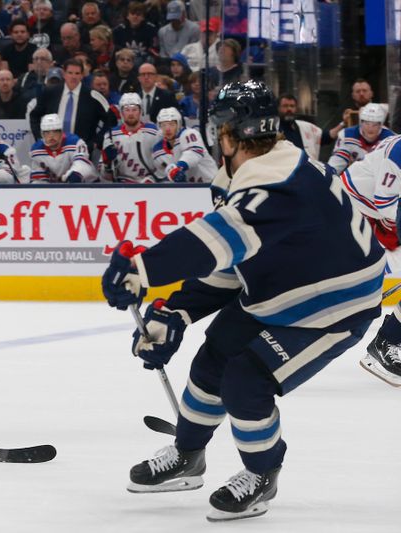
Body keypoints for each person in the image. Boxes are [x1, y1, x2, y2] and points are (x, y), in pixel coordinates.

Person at [101, 80, 385, 522]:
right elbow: (232, 260)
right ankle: (188, 456)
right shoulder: (258, 171)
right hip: (281, 286)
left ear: (228, 133)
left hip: (334, 307)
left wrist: (143, 270)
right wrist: (179, 309)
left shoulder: (278, 186)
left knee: (246, 383)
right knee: (212, 361)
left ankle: (262, 473)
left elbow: (216, 239)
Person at [339, 134, 401, 385]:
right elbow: (386, 204)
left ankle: (391, 339)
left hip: (375, 211)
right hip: (353, 208)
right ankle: (388, 342)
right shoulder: (399, 151)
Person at [30, 58, 115, 153]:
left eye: (77, 73)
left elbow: (111, 120)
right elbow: (34, 115)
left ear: (82, 75)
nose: (73, 77)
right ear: (64, 74)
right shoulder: (50, 92)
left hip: (82, 151)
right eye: (70, 73)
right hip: (52, 150)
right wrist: (40, 138)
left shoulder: (93, 96)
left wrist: (96, 142)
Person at [100, 92, 159, 183]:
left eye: (134, 109)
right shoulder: (111, 135)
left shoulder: (154, 133)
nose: (131, 114)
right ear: (121, 113)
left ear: (141, 111)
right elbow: (105, 177)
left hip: (149, 185)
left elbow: (162, 165)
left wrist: (152, 179)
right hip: (122, 187)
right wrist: (107, 164)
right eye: (127, 110)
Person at [152, 107, 216, 183]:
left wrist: (179, 167)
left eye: (171, 124)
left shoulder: (189, 134)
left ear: (178, 124)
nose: (167, 129)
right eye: (163, 125)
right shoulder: (158, 152)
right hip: (188, 189)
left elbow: (193, 153)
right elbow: (162, 177)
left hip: (211, 183)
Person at [327, 103, 394, 174]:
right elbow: (336, 164)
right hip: (355, 178)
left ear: (381, 124)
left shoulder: (391, 139)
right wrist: (328, 176)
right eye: (367, 123)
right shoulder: (347, 136)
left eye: (375, 124)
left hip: (380, 179)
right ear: (361, 122)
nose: (370, 128)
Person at [29, 113, 96, 183]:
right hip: (57, 189)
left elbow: (82, 164)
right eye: (47, 132)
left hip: (87, 186)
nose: (51, 136)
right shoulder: (36, 150)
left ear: (61, 132)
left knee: (75, 177)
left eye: (55, 132)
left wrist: (73, 175)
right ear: (42, 134)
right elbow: (39, 180)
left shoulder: (75, 142)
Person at [113, 2, 159, 69]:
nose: (135, 16)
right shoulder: (118, 30)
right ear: (127, 16)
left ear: (143, 17)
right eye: (132, 14)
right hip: (124, 59)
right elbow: (116, 49)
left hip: (144, 60)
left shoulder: (151, 29)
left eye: (138, 14)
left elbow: (154, 49)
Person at [277, 94, 323, 160]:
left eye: (292, 106)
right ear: (278, 108)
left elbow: (326, 136)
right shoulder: (273, 127)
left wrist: (342, 125)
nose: (289, 109)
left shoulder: (302, 126)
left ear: (296, 108)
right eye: (285, 106)